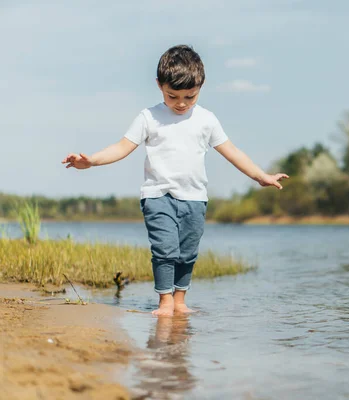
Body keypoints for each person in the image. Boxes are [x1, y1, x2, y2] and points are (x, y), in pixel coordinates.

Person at [62, 45, 288, 316]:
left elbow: (233, 152)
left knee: (187, 253)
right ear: (159, 86)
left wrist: (260, 176)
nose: (181, 103)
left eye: (189, 97)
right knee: (165, 249)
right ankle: (165, 302)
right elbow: (122, 147)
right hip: (158, 196)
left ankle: (180, 301)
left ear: (200, 87)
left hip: (195, 199)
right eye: (173, 96)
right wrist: (92, 161)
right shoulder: (149, 117)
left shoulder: (207, 120)